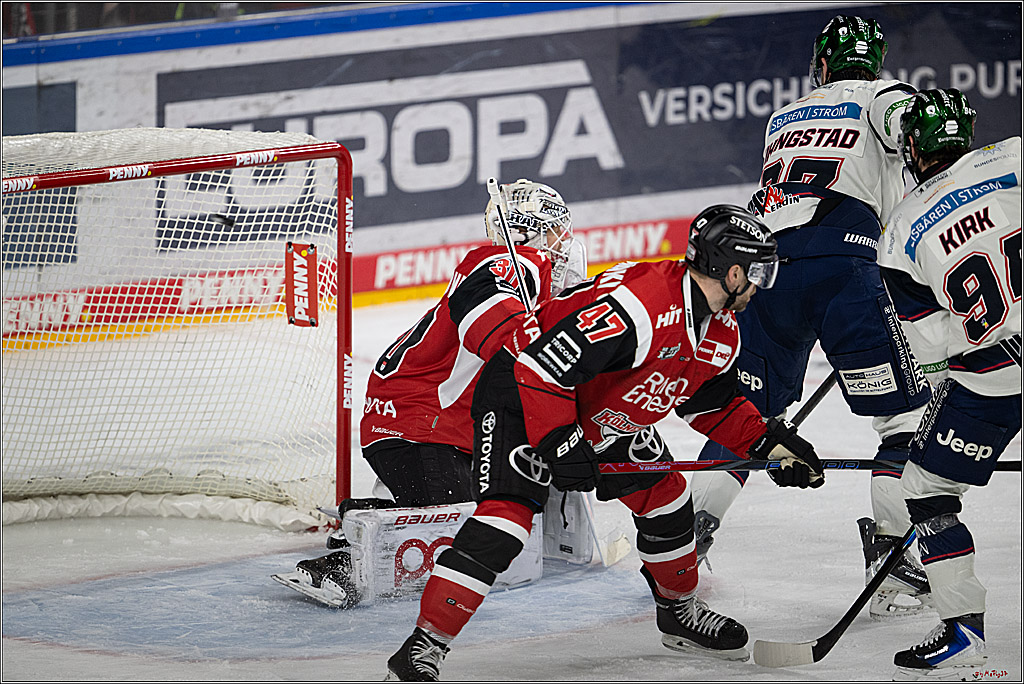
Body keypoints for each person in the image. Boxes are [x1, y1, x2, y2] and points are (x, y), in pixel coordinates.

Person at [385, 204, 826, 681]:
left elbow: (706, 401)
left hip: (600, 408)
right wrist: (559, 442)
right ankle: (420, 650)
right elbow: (540, 366)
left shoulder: (720, 329)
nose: (762, 285)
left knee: (667, 497)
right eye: (759, 272)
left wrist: (770, 442)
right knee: (506, 524)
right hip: (523, 395)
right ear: (734, 271)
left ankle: (677, 613)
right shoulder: (642, 306)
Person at [688, 14, 935, 618]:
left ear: (821, 64)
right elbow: (917, 129)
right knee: (903, 415)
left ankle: (688, 537)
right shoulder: (883, 96)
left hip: (768, 274)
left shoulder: (788, 115)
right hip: (847, 272)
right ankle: (891, 556)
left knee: (749, 412)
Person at [276, 179, 585, 607]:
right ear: (529, 231)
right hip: (418, 425)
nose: (562, 243)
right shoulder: (507, 265)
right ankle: (350, 553)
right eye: (554, 231)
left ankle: (380, 509)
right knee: (468, 539)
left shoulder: (520, 272)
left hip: (431, 426)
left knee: (501, 510)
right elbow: (495, 334)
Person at [877, 88, 1021, 678]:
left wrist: (940, 397)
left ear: (911, 145)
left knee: (927, 488)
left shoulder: (901, 227)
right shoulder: (1016, 156)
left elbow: (930, 348)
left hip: (993, 377)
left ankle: (963, 630)